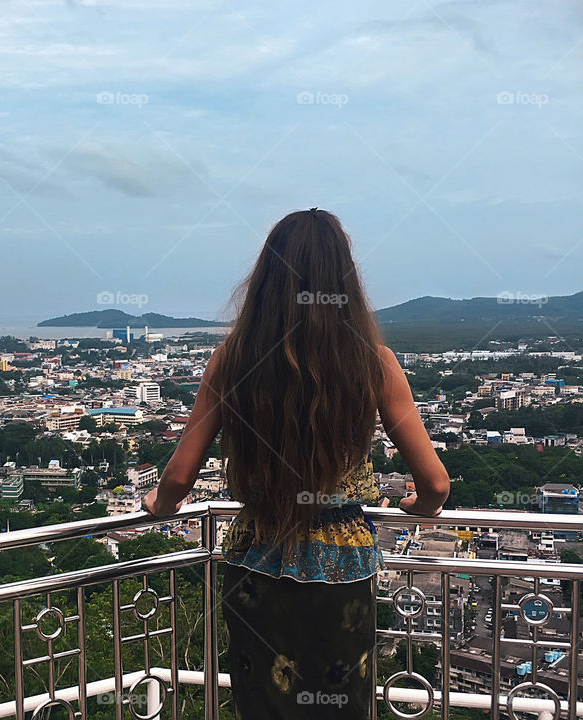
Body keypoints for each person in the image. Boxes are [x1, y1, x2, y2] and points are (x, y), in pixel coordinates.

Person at [140, 208, 450, 719]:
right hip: (343, 562)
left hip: (255, 559)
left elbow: (177, 477)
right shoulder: (375, 364)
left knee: (264, 703)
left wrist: (160, 503)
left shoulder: (232, 360)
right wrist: (416, 507)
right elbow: (435, 483)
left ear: (266, 281)